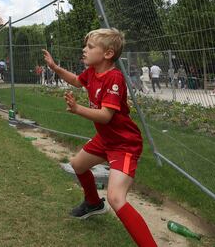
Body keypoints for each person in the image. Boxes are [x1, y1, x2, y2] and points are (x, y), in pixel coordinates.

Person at [41, 29, 155, 246]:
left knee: (116, 198)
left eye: (90, 47)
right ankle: (93, 203)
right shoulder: (93, 72)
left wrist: (77, 109)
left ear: (108, 54)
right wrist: (55, 68)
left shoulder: (114, 78)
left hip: (124, 144)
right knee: (77, 165)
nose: (84, 49)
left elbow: (104, 116)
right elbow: (76, 80)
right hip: (106, 139)